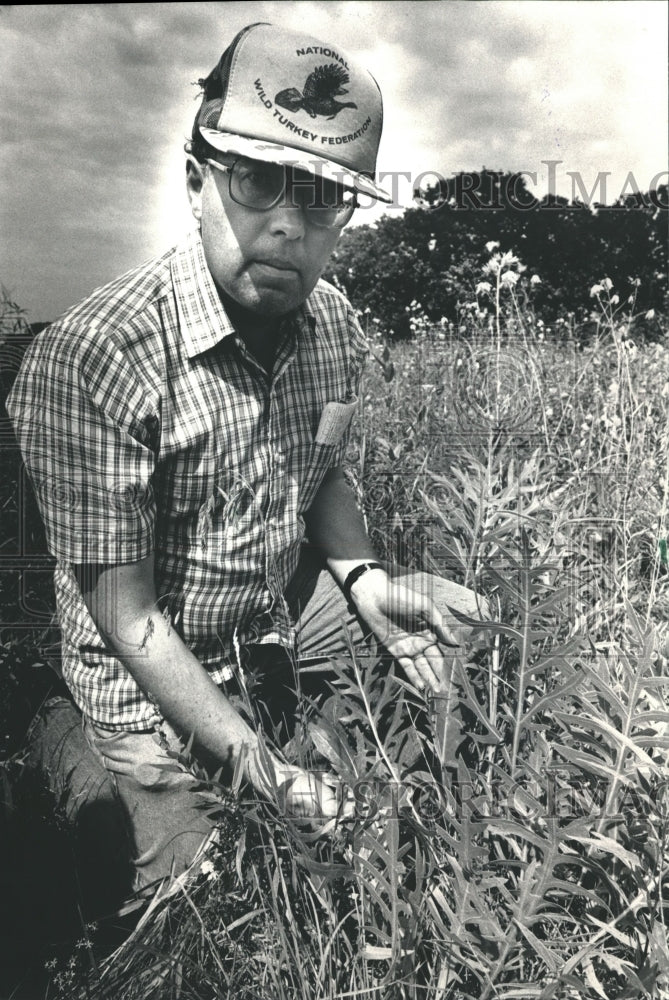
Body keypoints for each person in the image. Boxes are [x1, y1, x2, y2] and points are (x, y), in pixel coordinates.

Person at [7, 22, 485, 897]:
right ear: (196, 182)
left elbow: (326, 470)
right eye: (259, 181)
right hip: (140, 661)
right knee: (211, 884)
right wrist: (272, 776)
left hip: (269, 614)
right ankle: (58, 737)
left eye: (322, 196)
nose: (289, 226)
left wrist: (367, 582)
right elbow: (133, 623)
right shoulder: (92, 358)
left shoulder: (334, 322)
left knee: (446, 657)